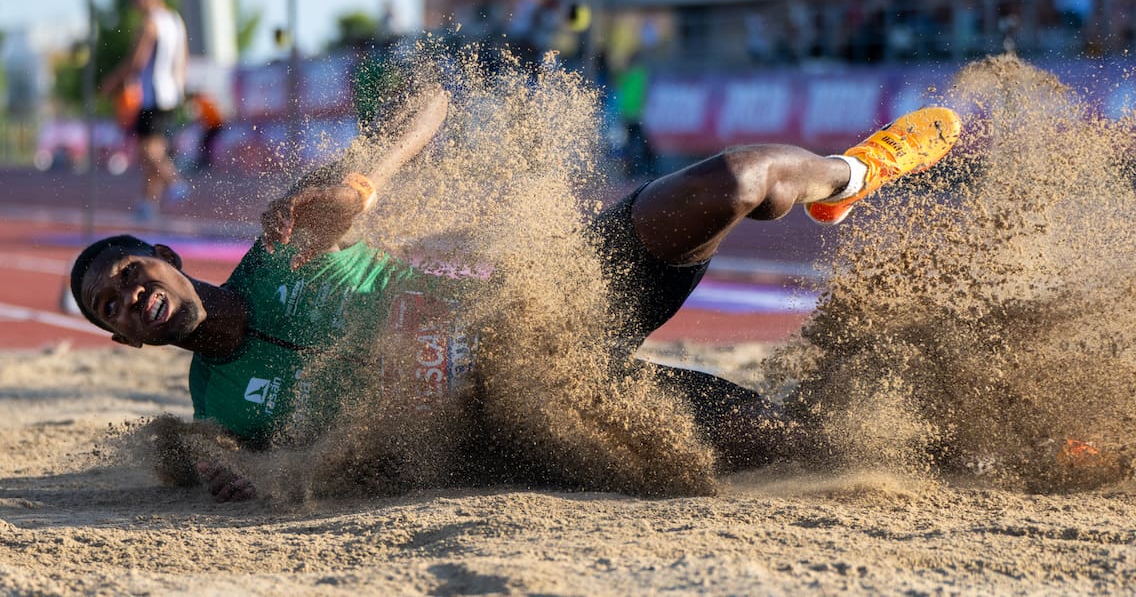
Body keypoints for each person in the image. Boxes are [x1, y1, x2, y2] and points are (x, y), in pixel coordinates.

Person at [69, 90, 961, 502]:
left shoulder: (285, 240)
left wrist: (366, 184)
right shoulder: (216, 407)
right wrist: (244, 474)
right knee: (797, 442)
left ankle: (851, 172)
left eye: (126, 274)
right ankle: (988, 443)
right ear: (124, 342)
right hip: (531, 408)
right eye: (108, 306)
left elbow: (430, 103)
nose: (126, 297)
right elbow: (222, 459)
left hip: (543, 310)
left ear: (163, 254)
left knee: (732, 179)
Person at [101, 0, 189, 220]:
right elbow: (183, 57)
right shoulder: (175, 21)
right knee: (155, 147)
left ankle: (174, 181)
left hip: (154, 93)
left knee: (146, 149)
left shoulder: (151, 23)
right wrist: (180, 86)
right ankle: (148, 203)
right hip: (171, 92)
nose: (135, 3)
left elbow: (137, 61)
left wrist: (114, 81)